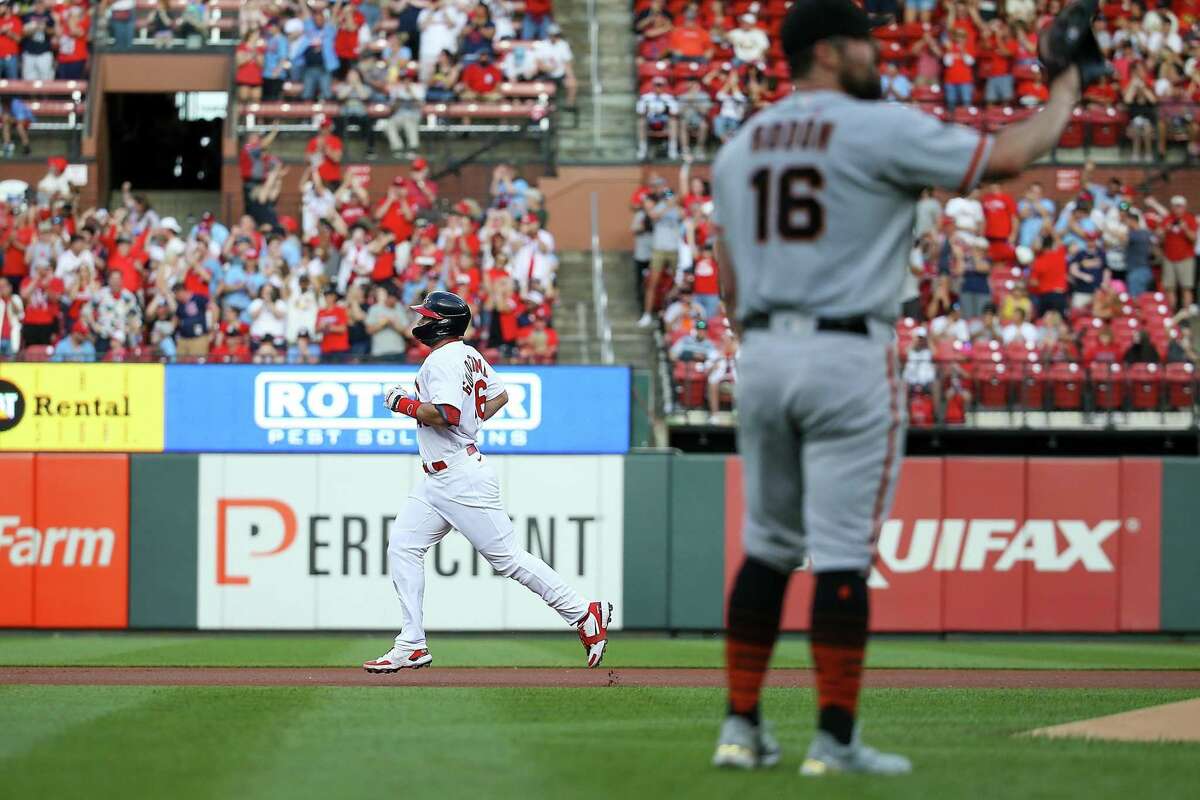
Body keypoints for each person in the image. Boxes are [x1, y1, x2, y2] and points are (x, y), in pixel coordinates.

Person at [710, 0, 1084, 776]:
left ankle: (740, 730)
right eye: (862, 43)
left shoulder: (741, 145)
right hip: (848, 351)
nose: (875, 54)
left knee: (766, 548)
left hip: (765, 352)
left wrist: (762, 337)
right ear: (827, 50)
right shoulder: (877, 125)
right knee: (842, 556)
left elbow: (727, 272)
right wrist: (1064, 91)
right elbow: (1011, 156)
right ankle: (833, 741)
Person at [363, 290, 611, 672]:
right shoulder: (470, 355)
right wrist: (469, 423)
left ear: (442, 323)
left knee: (509, 559)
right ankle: (411, 643)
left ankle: (583, 613)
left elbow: (445, 413)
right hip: (439, 479)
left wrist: (403, 404)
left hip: (459, 476)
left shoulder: (442, 359)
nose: (422, 321)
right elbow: (500, 396)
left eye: (428, 316)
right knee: (403, 546)